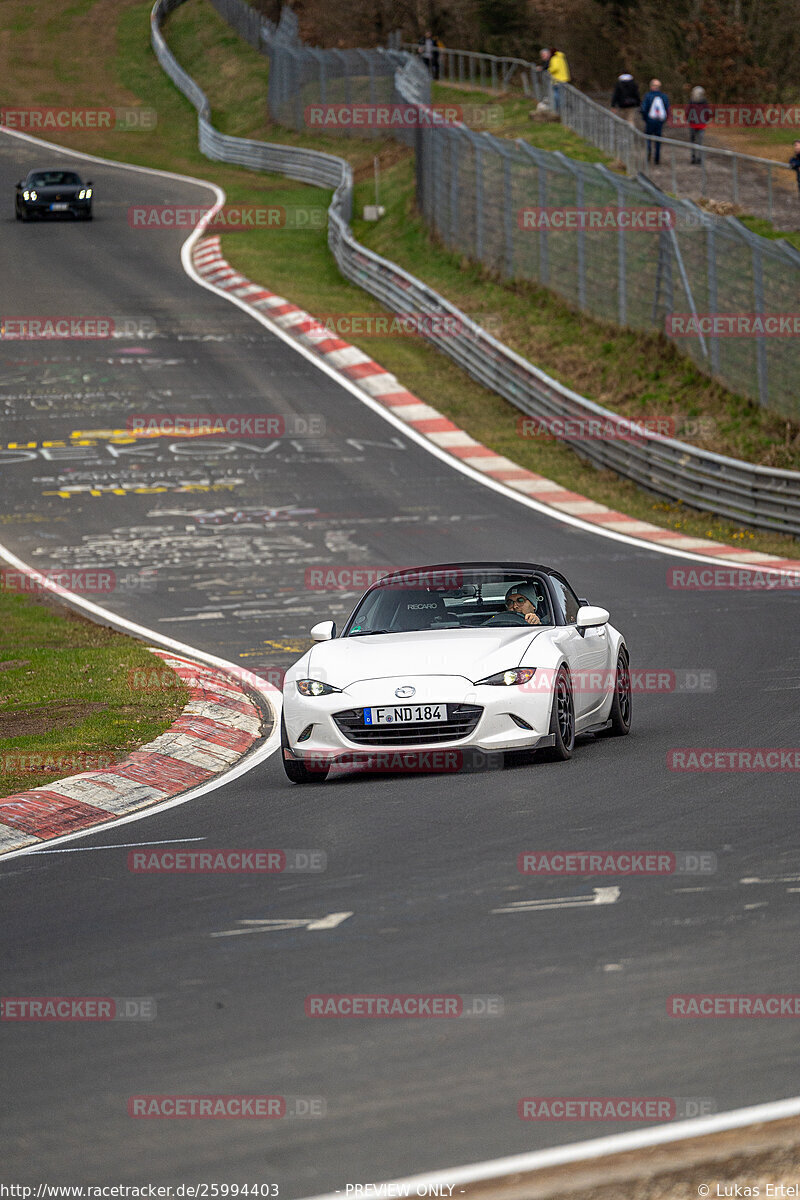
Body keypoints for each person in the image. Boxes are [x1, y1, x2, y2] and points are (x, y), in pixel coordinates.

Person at [641, 78, 670, 165]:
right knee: (658, 139)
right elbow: (667, 109)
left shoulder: (648, 96)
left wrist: (646, 119)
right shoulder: (664, 96)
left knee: (649, 137)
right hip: (659, 121)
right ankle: (657, 158)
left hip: (650, 120)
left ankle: (649, 150)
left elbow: (643, 108)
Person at [546, 47, 571, 115]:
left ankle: (558, 109)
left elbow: (555, 68)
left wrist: (549, 70)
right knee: (562, 94)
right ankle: (563, 108)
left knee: (556, 95)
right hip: (564, 78)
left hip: (557, 80)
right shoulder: (561, 57)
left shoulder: (554, 59)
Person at [688, 85, 708, 164]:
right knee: (699, 142)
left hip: (695, 124)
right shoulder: (703, 102)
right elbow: (707, 113)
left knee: (694, 141)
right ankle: (697, 157)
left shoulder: (692, 102)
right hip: (699, 124)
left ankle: (694, 156)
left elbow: (688, 112)